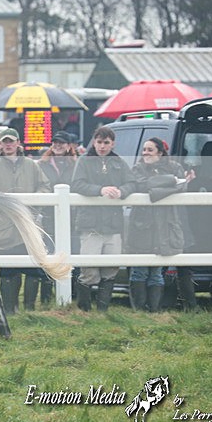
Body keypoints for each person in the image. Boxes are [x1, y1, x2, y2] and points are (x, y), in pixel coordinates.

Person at [0, 128, 51, 313]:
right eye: (4, 142)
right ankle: (9, 310)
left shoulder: (32, 165)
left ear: (18, 143)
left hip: (29, 225)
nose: (8, 145)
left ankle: (29, 309)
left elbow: (45, 186)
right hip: (5, 226)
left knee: (33, 268)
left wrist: (33, 204)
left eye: (11, 141)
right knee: (7, 270)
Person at [70, 126, 137, 311]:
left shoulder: (119, 163)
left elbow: (132, 183)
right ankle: (84, 309)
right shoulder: (84, 161)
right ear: (94, 141)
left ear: (112, 143)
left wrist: (121, 191)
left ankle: (102, 310)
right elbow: (77, 184)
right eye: (99, 142)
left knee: (110, 269)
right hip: (90, 224)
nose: (102, 146)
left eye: (106, 143)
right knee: (89, 270)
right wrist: (99, 190)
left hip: (113, 225)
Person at [127, 137, 189, 312]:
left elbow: (182, 186)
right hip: (142, 225)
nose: (145, 153)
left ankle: (154, 310)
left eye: (150, 150)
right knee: (139, 271)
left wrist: (156, 190)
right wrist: (171, 183)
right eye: (144, 149)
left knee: (156, 273)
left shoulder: (175, 167)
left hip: (166, 224)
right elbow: (141, 185)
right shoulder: (138, 168)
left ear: (160, 153)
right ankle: (139, 311)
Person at [37, 130, 79, 305]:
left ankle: (73, 295)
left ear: (69, 146)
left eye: (62, 142)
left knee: (73, 254)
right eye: (55, 142)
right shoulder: (42, 164)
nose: (58, 145)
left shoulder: (76, 165)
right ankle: (46, 296)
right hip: (48, 216)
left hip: (73, 217)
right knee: (49, 254)